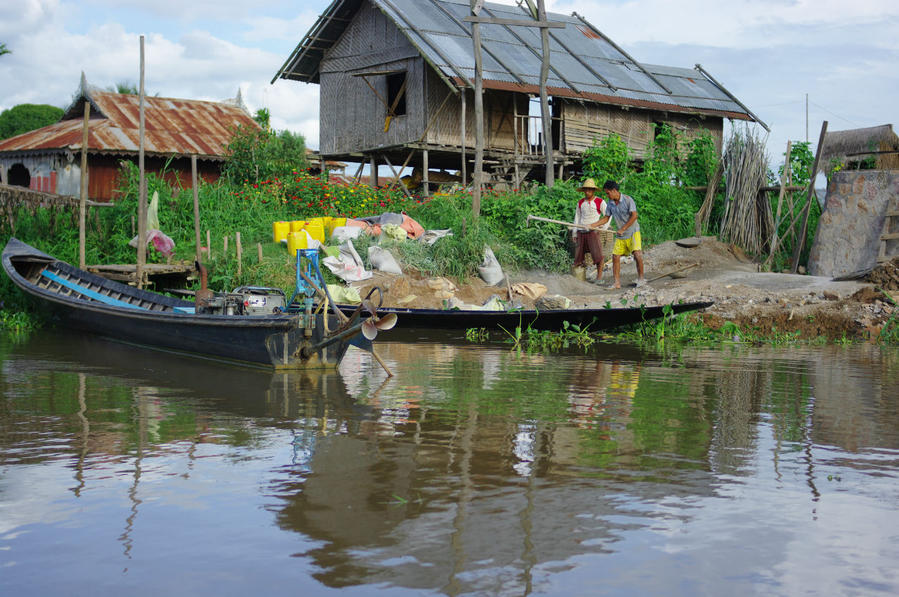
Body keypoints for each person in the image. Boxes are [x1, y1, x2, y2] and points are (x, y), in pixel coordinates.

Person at [598, 180, 644, 289]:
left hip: (633, 232)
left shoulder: (628, 200)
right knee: (615, 256)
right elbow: (606, 218)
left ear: (614, 191)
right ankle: (616, 283)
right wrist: (593, 224)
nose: (607, 195)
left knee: (637, 254)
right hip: (621, 234)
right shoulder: (610, 203)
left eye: (608, 193)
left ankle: (641, 279)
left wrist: (623, 228)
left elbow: (634, 216)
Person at [572, 178, 609, 279]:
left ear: (593, 190)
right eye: (586, 190)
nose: (587, 192)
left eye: (590, 190)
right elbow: (577, 218)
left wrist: (603, 227)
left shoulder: (600, 202)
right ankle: (580, 277)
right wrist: (574, 233)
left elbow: (608, 216)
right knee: (579, 257)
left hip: (593, 232)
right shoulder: (580, 203)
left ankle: (599, 278)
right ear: (583, 190)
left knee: (598, 256)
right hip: (581, 231)